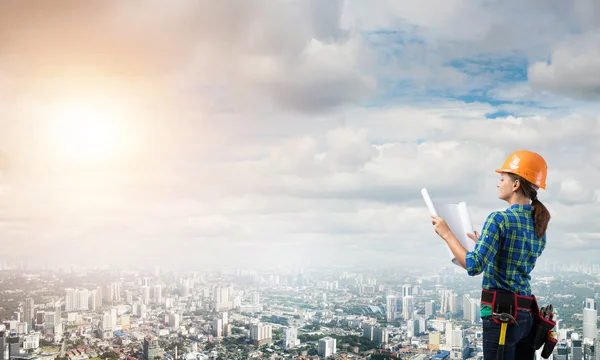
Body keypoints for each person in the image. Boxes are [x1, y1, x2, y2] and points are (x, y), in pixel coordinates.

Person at [431, 150, 551, 360]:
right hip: (526, 317)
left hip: (502, 316)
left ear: (515, 185)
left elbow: (474, 265)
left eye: (502, 178)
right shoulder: (539, 226)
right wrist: (488, 246)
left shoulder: (499, 219)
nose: (498, 183)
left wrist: (447, 234)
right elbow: (513, 263)